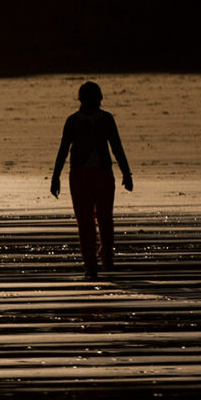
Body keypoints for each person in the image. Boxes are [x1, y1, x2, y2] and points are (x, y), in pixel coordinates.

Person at [49, 80, 133, 277]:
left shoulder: (107, 119)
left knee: (105, 218)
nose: (96, 103)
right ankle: (90, 262)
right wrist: (55, 177)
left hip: (103, 173)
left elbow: (117, 148)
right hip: (79, 174)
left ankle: (106, 258)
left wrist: (127, 174)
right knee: (85, 221)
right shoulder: (73, 121)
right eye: (92, 100)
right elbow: (63, 150)